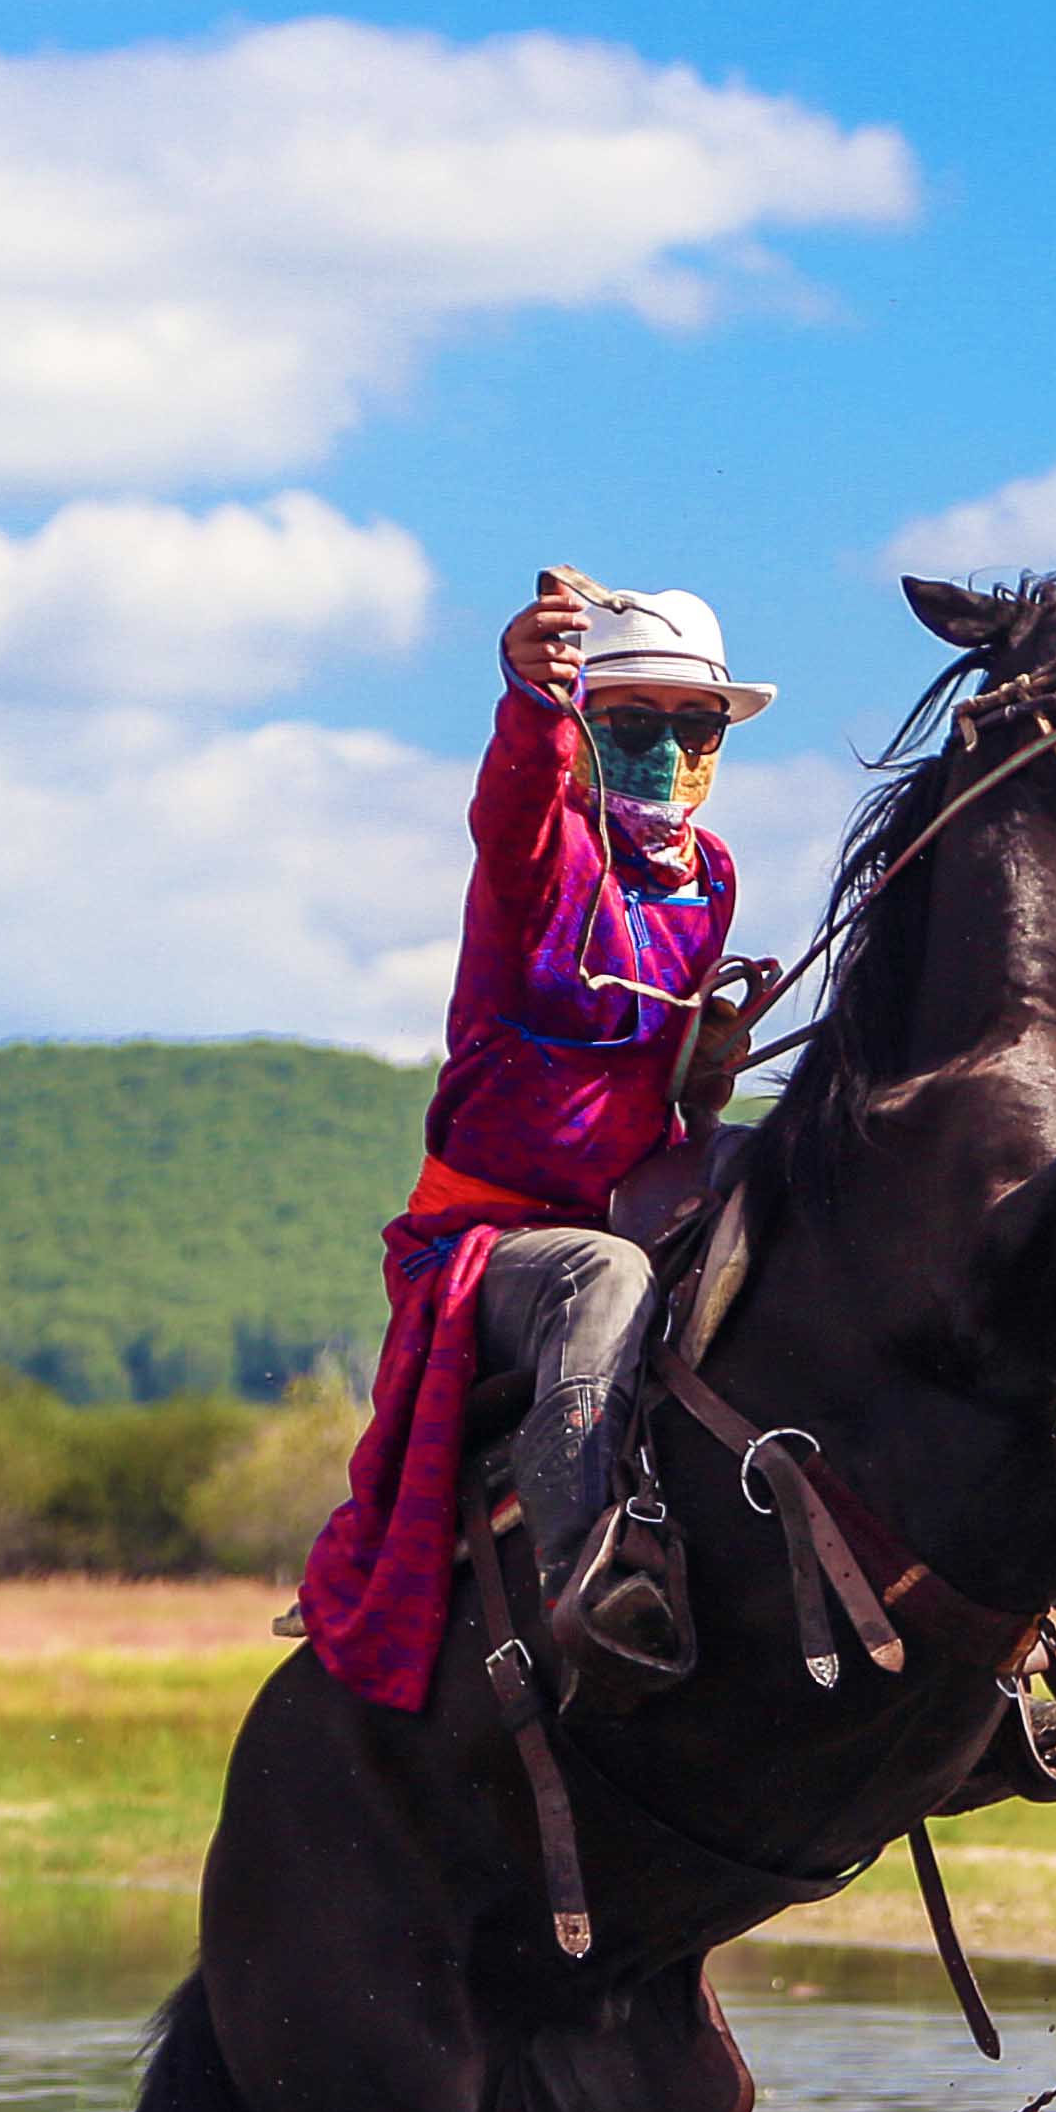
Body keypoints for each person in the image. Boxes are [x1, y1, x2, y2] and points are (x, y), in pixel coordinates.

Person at [294, 569, 768, 1715]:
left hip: (638, 1207)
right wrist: (530, 696)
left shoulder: (712, 882)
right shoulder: (543, 851)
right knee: (602, 1275)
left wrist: (706, 1066)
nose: (668, 748)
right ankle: (589, 1568)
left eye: (692, 724)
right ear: (588, 731)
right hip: (493, 1246)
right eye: (633, 723)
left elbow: (671, 1089)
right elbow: (512, 799)